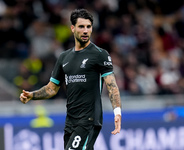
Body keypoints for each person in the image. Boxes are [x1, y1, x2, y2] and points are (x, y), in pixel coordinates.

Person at [20, 8, 122, 150]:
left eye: (88, 27)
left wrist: (117, 112)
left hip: (89, 119)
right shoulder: (64, 57)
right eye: (81, 26)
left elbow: (112, 86)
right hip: (71, 120)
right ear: (73, 28)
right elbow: (51, 89)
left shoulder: (100, 55)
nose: (85, 30)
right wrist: (32, 95)